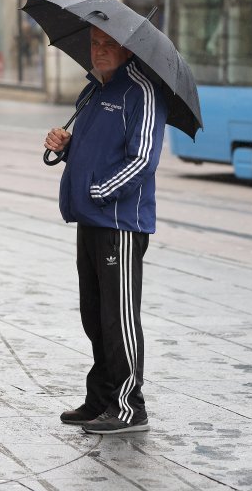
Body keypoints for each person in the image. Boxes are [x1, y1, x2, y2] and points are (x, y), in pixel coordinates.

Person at [44, 27, 168, 435]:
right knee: (95, 317)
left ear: (128, 48)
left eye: (109, 45)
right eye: (96, 44)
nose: (100, 52)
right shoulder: (93, 92)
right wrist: (65, 147)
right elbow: (91, 151)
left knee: (120, 318)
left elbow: (143, 159)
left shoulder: (143, 92)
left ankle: (131, 406)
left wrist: (99, 190)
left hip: (120, 223)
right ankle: (101, 399)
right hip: (89, 220)